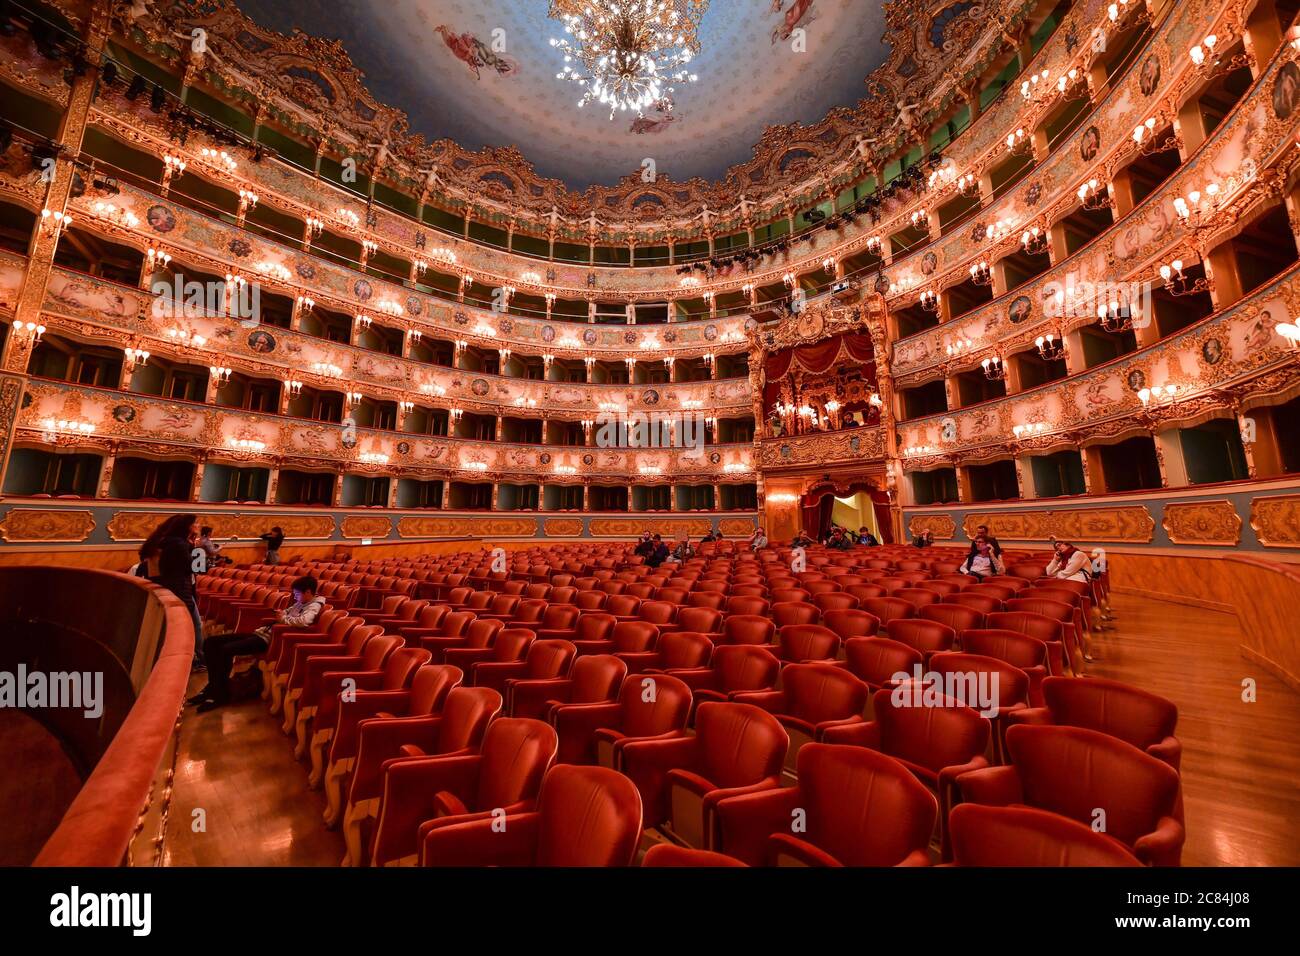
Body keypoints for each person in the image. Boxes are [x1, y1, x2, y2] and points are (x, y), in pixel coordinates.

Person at [188, 575, 325, 713]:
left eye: (297, 594)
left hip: (270, 641)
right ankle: (212, 687)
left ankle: (220, 694)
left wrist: (283, 618)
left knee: (225, 650)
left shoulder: (314, 605)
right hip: (261, 633)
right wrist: (282, 614)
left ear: (308, 592)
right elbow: (287, 612)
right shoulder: (300, 603)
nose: (295, 597)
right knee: (210, 643)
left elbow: (304, 621)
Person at [139, 513, 204, 668]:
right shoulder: (178, 544)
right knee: (193, 626)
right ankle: (197, 659)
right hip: (180, 591)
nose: (199, 525)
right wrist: (198, 548)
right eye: (196, 523)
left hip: (166, 588)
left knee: (172, 627)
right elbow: (198, 568)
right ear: (187, 526)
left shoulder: (162, 542)